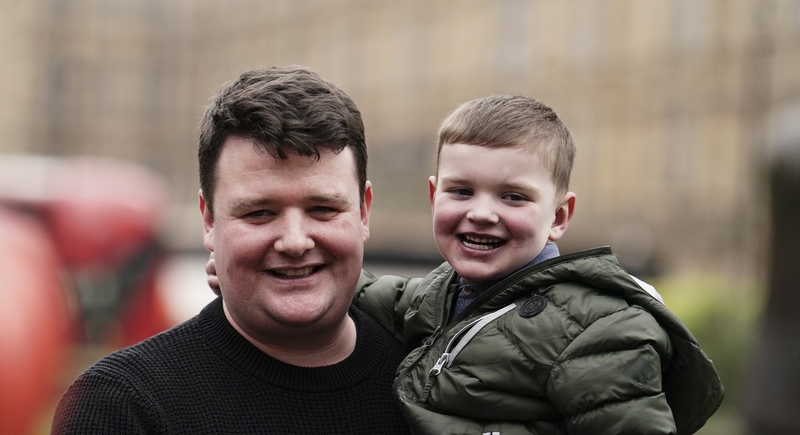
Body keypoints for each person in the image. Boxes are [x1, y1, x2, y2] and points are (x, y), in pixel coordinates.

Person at [204, 94, 725, 434]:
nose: (481, 212)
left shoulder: (601, 328)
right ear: (434, 196)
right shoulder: (440, 295)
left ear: (560, 216)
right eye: (461, 190)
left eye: (514, 197)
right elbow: (363, 290)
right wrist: (271, 275)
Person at [51, 66, 410, 434]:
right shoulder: (121, 406)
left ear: (364, 212)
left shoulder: (434, 382)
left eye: (323, 209)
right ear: (209, 220)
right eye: (259, 213)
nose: (295, 241)